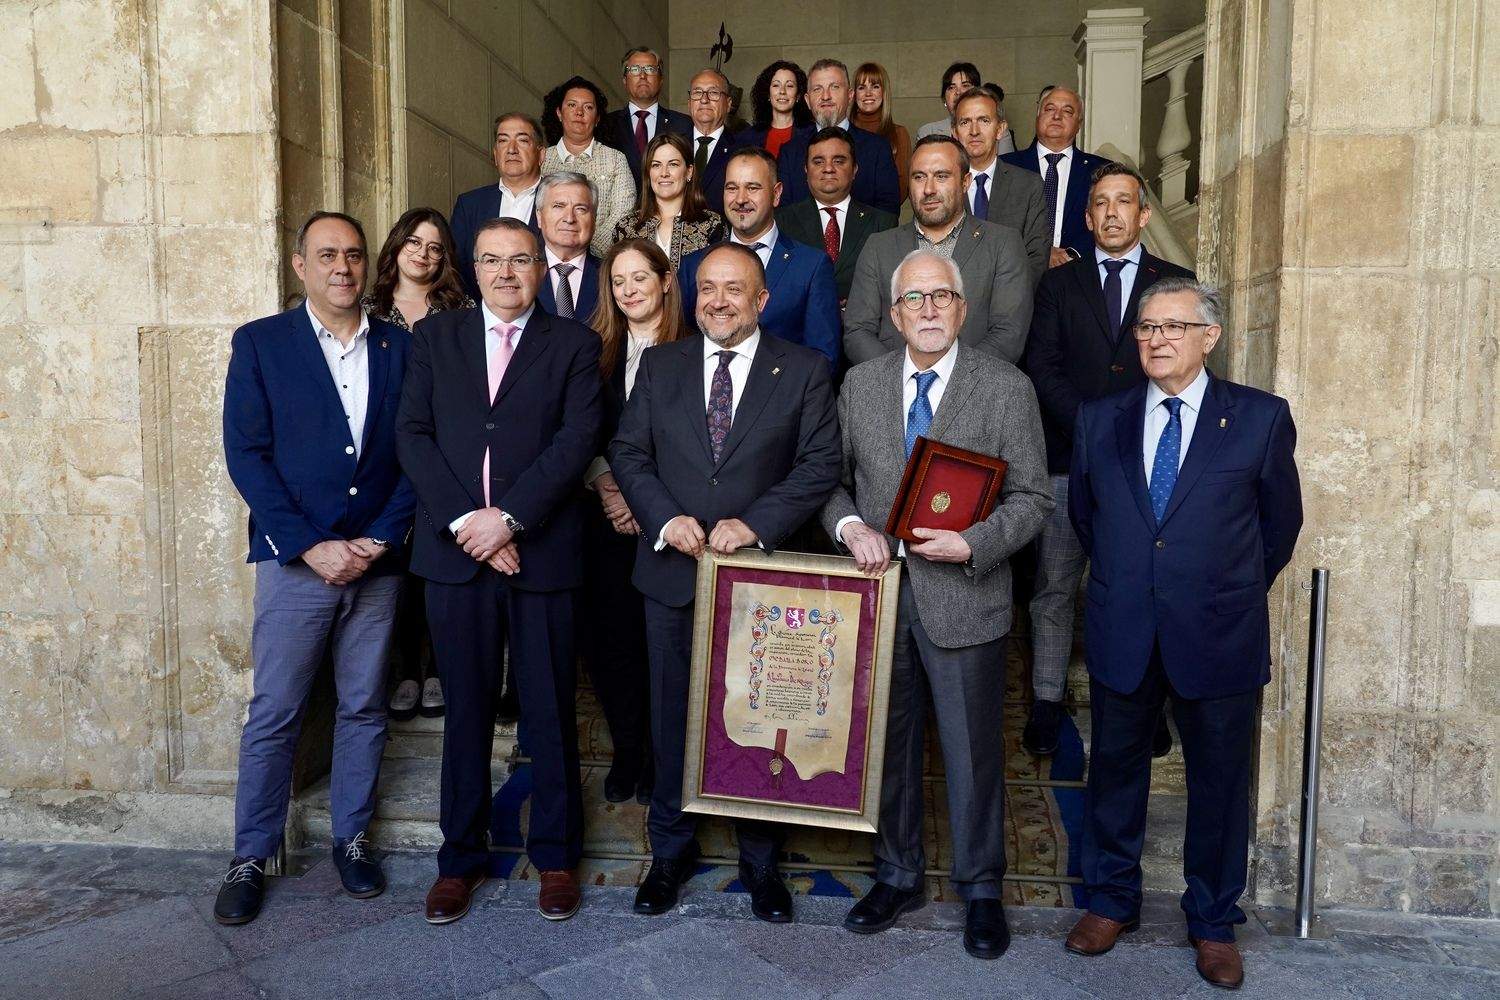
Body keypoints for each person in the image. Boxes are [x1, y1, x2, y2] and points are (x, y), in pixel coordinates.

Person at [1065, 278, 1302, 991]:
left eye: (1173, 326)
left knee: (1219, 783)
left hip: (1219, 631)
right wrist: (1137, 580)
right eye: (1146, 328)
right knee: (1115, 772)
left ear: (1210, 337)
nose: (1157, 339)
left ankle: (1213, 921)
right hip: (1124, 625)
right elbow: (1087, 517)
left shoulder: (1259, 418)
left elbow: (1279, 527)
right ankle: (1110, 901)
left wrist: (1220, 588)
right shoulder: (1099, 418)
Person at [826, 248, 1051, 958]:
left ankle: (981, 888)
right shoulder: (860, 384)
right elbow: (829, 481)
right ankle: (896, 875)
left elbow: (1034, 499)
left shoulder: (1007, 387)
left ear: (963, 308)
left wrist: (975, 542)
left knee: (973, 753)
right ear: (894, 316)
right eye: (914, 299)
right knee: (887, 747)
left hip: (967, 596)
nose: (928, 310)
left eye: (941, 297)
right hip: (881, 597)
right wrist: (850, 526)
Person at [608, 242, 842, 924]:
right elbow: (628, 451)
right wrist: (664, 518)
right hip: (673, 573)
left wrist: (756, 524)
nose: (718, 300)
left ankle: (760, 860)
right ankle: (670, 851)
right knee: (671, 716)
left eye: (734, 288)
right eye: (707, 287)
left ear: (761, 300)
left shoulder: (804, 369)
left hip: (762, 582)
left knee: (762, 719)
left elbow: (819, 464)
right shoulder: (662, 365)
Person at [397, 218, 601, 926]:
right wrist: (468, 524)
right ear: (474, 268)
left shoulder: (574, 344)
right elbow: (413, 435)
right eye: (491, 260)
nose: (506, 273)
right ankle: (459, 860)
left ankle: (556, 857)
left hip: (541, 553)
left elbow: (578, 440)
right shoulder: (436, 338)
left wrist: (508, 521)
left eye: (520, 260)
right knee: (466, 712)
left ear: (541, 269)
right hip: (455, 556)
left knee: (549, 710)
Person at [216, 211, 416, 926]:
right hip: (295, 564)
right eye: (327, 255)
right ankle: (250, 856)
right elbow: (247, 456)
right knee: (275, 712)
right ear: (300, 265)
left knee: (364, 706)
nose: (342, 267)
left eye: (354, 255)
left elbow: (417, 451)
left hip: (376, 565)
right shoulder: (261, 344)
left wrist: (380, 540)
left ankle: (352, 841)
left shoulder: (400, 346)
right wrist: (309, 545)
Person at [1021, 162, 1194, 758]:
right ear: (1088, 216)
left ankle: (1147, 708)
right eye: (1101, 202)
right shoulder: (1058, 285)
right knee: (1054, 585)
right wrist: (1093, 428)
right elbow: (1042, 366)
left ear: (1143, 215)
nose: (1112, 212)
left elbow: (1183, 369)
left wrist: (1128, 432)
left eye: (1124, 201)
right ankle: (1047, 701)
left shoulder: (1176, 283)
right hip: (1067, 460)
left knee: (1138, 588)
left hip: (1149, 467)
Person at [579, 238, 693, 804]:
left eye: (639, 278)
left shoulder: (695, 348)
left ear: (666, 280)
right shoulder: (591, 350)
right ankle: (628, 750)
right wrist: (607, 483)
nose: (628, 290)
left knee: (663, 647)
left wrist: (646, 502)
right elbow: (577, 427)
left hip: (672, 520)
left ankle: (662, 757)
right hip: (606, 518)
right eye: (618, 281)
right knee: (611, 641)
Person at [362, 208, 476, 722]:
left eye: (434, 246)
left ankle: (436, 670)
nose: (423, 254)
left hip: (442, 450)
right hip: (381, 451)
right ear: (397, 245)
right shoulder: (369, 308)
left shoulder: (461, 308)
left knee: (437, 563)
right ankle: (405, 669)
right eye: (414, 242)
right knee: (395, 566)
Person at [844, 135, 1032, 365]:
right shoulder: (878, 247)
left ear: (965, 182)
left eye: (941, 176)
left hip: (975, 384)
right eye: (919, 177)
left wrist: (949, 379)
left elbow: (1009, 333)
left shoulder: (1003, 244)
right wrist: (903, 378)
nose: (929, 189)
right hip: (893, 384)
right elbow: (857, 331)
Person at [678, 146, 841, 370]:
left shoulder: (811, 266)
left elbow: (823, 359)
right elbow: (681, 348)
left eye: (752, 188)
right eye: (732, 188)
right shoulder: (693, 265)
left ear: (776, 194)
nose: (740, 199)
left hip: (784, 390)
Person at [774, 126, 897, 303]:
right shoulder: (780, 222)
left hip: (862, 318)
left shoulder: (883, 224)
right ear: (806, 170)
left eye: (839, 161)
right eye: (818, 162)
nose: (828, 168)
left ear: (854, 169)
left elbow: (889, 288)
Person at [1000, 85, 1111, 267]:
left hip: (1078, 270)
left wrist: (1072, 253)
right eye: (1050, 109)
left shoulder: (1102, 170)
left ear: (1079, 123)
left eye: (1067, 111)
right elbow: (995, 221)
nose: (1057, 116)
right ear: (1038, 117)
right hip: (1019, 271)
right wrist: (1041, 252)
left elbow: (1108, 218)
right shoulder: (1005, 166)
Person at [776, 59, 901, 215]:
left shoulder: (878, 148)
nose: (825, 96)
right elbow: (783, 215)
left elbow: (888, 213)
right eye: (817, 89)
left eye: (834, 87)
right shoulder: (789, 152)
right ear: (807, 101)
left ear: (850, 95)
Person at [951, 87, 1048, 284]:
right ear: (954, 132)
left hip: (1011, 298)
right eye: (965, 122)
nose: (974, 131)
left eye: (984, 120)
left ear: (1000, 129)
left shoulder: (1028, 185)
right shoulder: (941, 185)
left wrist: (1007, 298)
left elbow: (1036, 258)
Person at [450, 113, 546, 298]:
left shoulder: (559, 202)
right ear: (495, 154)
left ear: (541, 154)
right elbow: (455, 269)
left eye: (522, 140)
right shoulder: (469, 204)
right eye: (503, 141)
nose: (511, 149)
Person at [541, 76, 636, 258]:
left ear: (597, 118)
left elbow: (623, 213)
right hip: (548, 258)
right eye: (572, 105)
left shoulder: (615, 159)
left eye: (588, 107)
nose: (579, 112)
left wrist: (587, 250)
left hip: (599, 260)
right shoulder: (542, 159)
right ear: (559, 113)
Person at [611, 131, 727, 270]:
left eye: (673, 164)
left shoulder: (712, 225)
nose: (664, 173)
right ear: (648, 173)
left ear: (689, 171)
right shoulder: (626, 228)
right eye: (656, 165)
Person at [599, 47, 692, 195]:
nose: (642, 75)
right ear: (624, 80)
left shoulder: (683, 124)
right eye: (635, 69)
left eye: (650, 69)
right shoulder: (605, 125)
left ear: (661, 80)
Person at [535, 171, 601, 321]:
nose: (570, 218)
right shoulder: (519, 272)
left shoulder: (610, 275)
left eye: (581, 209)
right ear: (539, 217)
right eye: (558, 206)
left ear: (594, 220)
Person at [916, 61, 1013, 153]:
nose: (958, 92)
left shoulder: (997, 129)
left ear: (978, 92)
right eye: (951, 87)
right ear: (944, 98)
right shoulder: (927, 132)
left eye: (965, 85)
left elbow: (1005, 164)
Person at [852, 62, 912, 204]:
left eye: (875, 86)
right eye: (861, 87)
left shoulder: (899, 133)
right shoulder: (842, 132)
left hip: (884, 214)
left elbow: (902, 186)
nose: (868, 93)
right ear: (853, 94)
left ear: (884, 92)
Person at [739, 60, 812, 157]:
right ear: (768, 94)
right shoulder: (748, 136)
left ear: (798, 95)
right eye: (776, 85)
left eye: (789, 86)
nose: (782, 91)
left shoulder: (812, 133)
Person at [686, 68, 735, 213]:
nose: (704, 100)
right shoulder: (672, 146)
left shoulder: (741, 149)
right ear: (689, 103)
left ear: (728, 104)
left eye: (713, 93)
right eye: (697, 93)